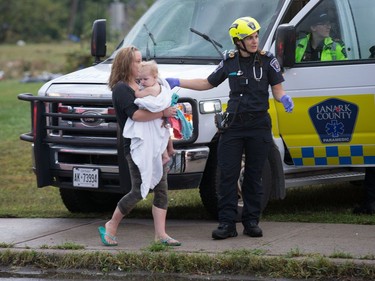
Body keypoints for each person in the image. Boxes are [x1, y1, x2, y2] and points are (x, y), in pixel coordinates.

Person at [166, 17, 294, 240]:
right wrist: (178, 81)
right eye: (249, 38)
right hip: (233, 125)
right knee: (227, 175)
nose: (255, 41)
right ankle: (227, 224)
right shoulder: (230, 60)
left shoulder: (267, 60)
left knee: (254, 175)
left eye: (255, 36)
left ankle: (251, 221)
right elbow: (208, 83)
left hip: (258, 125)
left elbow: (278, 90)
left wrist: (284, 99)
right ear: (238, 41)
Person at [98, 46, 181, 247]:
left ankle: (161, 235)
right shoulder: (121, 89)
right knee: (138, 191)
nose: (140, 63)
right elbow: (136, 115)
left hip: (155, 144)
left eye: (141, 59)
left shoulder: (143, 86)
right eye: (136, 60)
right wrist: (163, 113)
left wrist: (167, 143)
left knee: (161, 190)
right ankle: (111, 225)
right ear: (126, 64)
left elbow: (160, 112)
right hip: (136, 146)